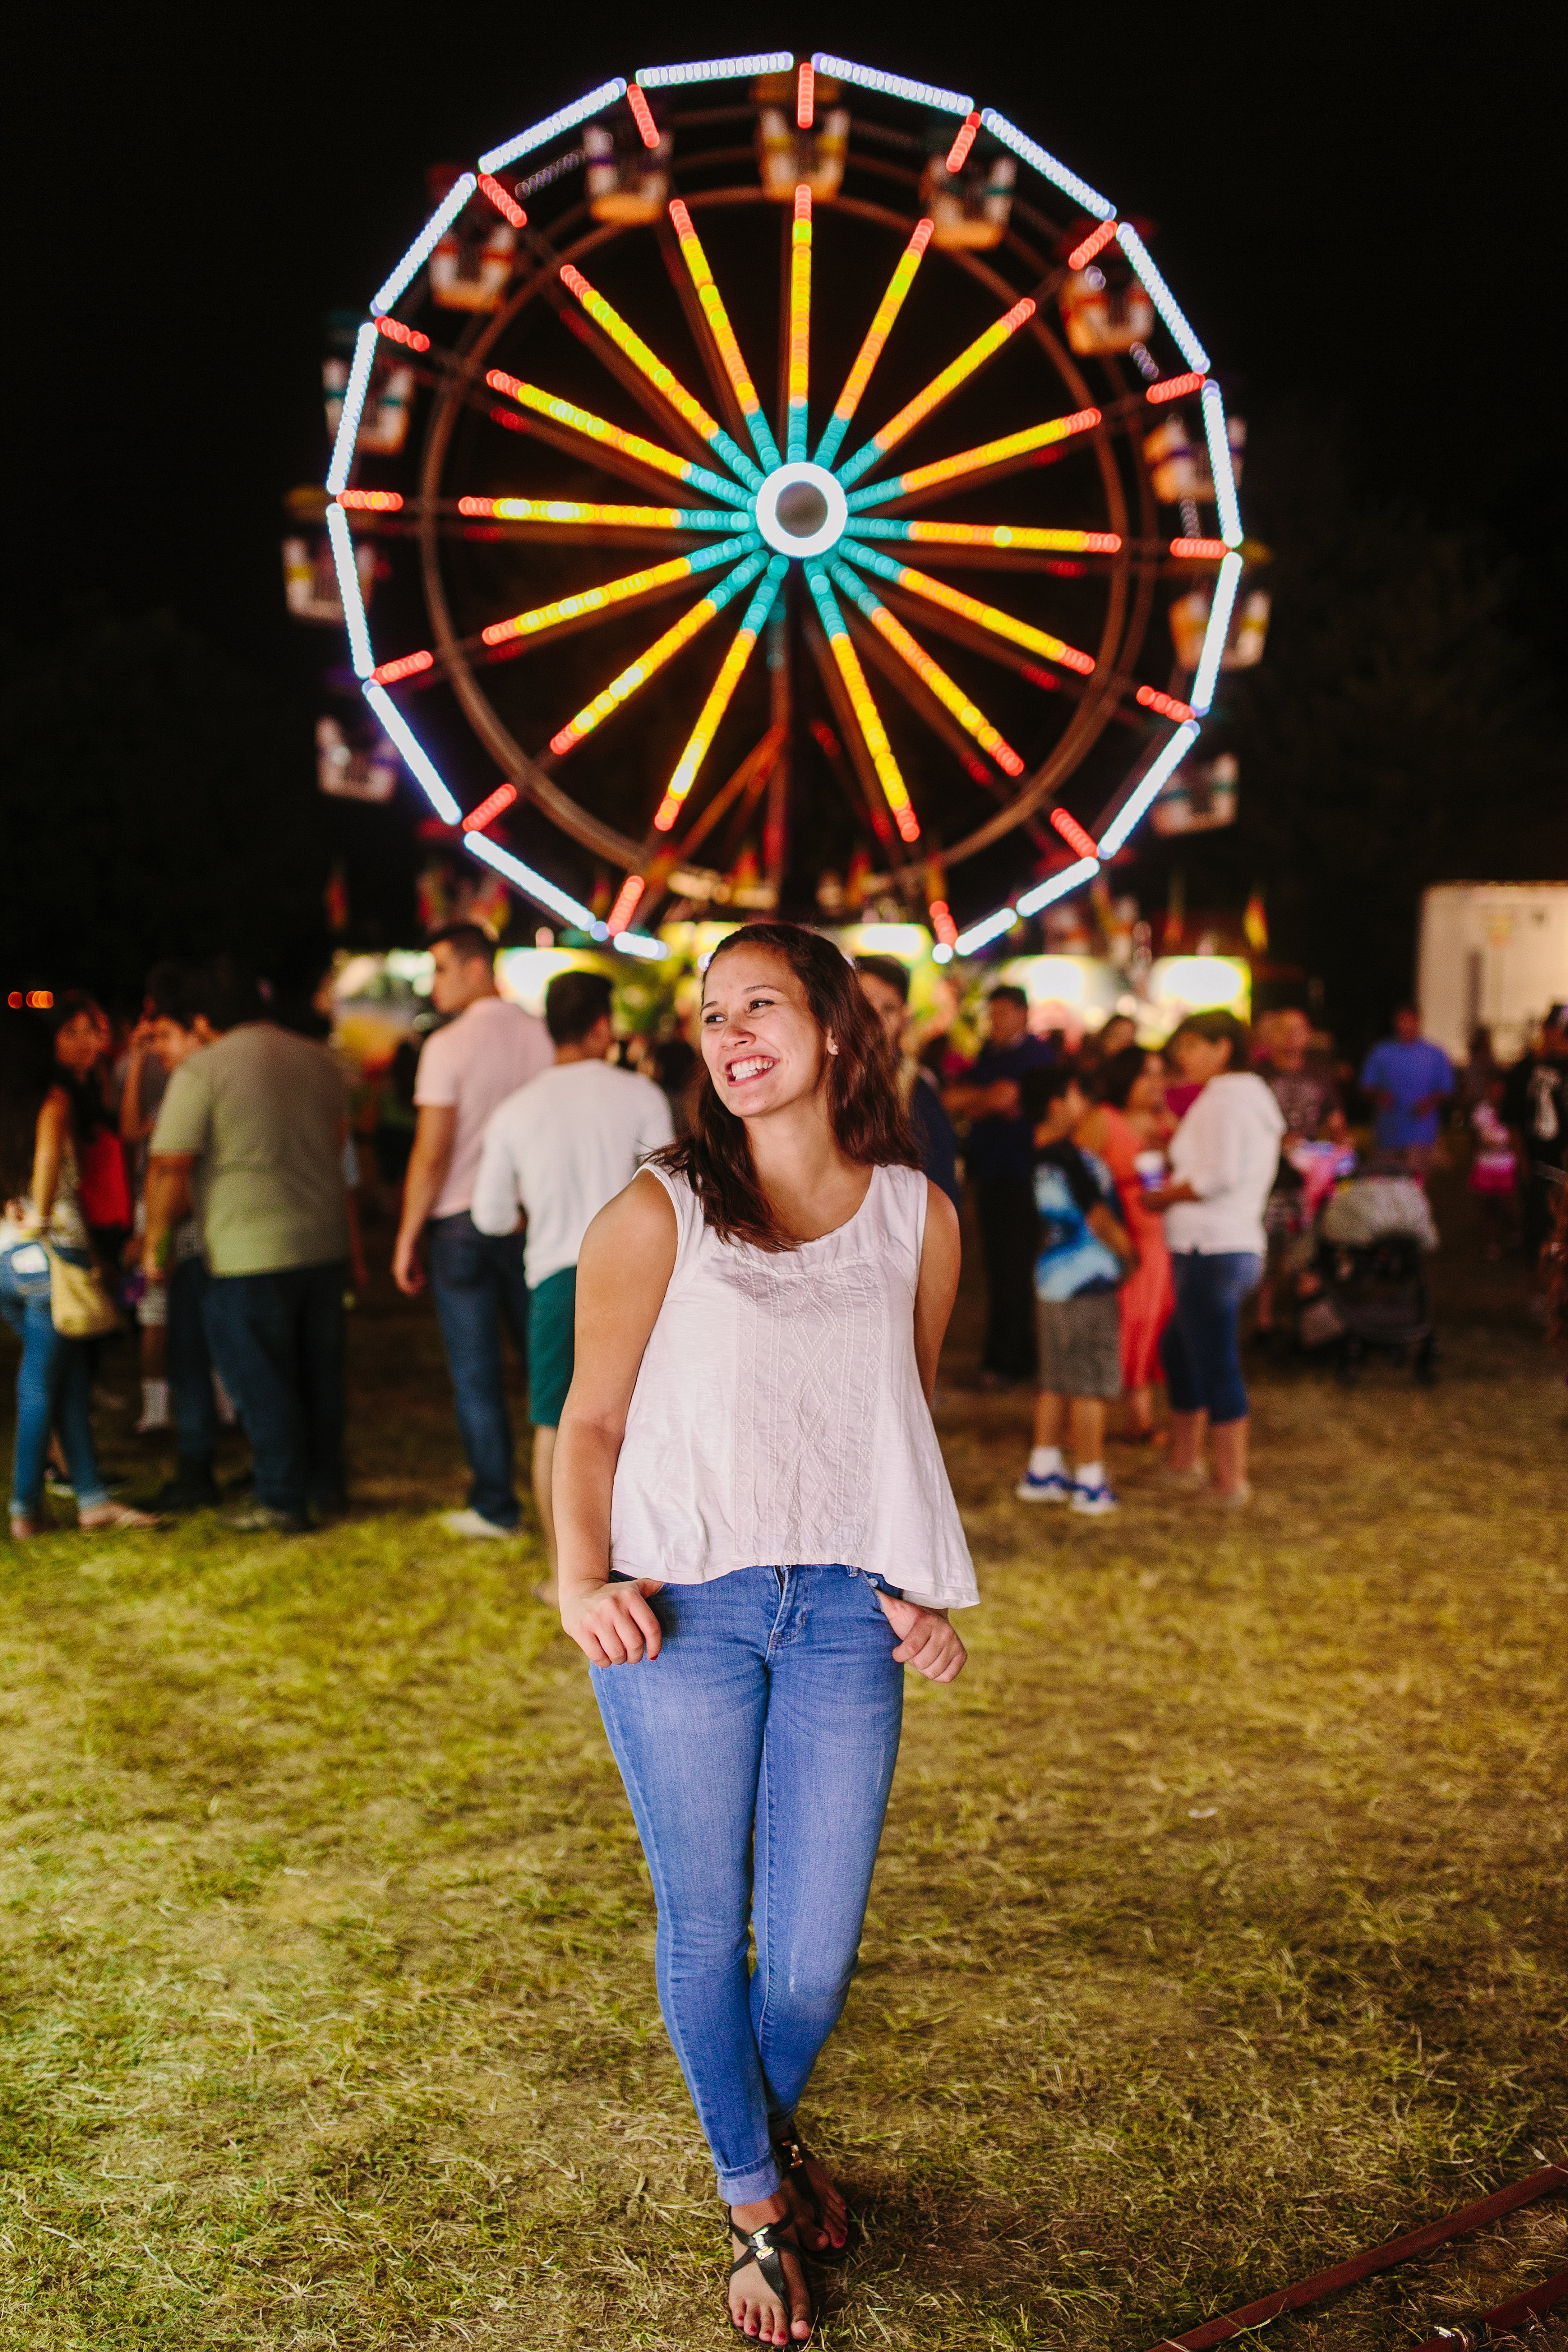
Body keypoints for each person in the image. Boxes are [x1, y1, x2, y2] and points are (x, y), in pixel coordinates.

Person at [552, 922, 975, 2346]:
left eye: (760, 1005)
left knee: (807, 1960)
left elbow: (891, 1424)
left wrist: (908, 1583)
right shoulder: (658, 1207)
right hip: (686, 1611)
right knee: (700, 1919)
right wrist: (574, 1579)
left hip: (844, 1620)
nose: (728, 1033)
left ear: (837, 1028)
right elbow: (589, 1418)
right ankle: (752, 2204)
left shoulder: (918, 1215)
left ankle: (764, 2143)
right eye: (709, 1015)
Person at [471, 969, 673, 1599]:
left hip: (559, 1276)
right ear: (602, 1026)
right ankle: (645, 1559)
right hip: (645, 1272)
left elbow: (491, 1216)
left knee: (556, 1423)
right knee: (648, 1417)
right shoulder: (639, 1094)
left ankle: (568, 1573)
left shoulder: (516, 1109)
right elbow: (674, 1187)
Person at [144, 958, 362, 1534]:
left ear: (202, 1019)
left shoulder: (204, 1070)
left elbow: (170, 1164)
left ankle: (281, 1496)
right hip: (322, 1242)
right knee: (320, 1373)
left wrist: (154, 1245)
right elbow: (342, 1149)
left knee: (261, 1377)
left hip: (246, 1249)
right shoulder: (318, 1059)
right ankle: (327, 1483)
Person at [393, 923, 551, 1538]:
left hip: (459, 1220)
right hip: (526, 1215)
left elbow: (431, 1152)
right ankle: (564, 1502)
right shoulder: (541, 1035)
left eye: (440, 968)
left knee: (477, 1370)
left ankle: (496, 1503)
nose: (433, 984)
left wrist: (408, 1234)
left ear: (474, 967)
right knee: (544, 1367)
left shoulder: (449, 1045)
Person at [1, 1008, 160, 1539]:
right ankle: (25, 1507)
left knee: (63, 1378)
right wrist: (42, 1217)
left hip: (5, 1260)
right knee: (41, 1383)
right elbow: (49, 1166)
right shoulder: (53, 1099)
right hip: (50, 1256)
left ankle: (92, 1498)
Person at [1146, 1011, 1284, 1506]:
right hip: (1221, 1243)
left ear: (1222, 1048)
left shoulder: (1228, 1098)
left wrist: (1167, 1195)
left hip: (1213, 1245)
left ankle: (1230, 1479)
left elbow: (1219, 1175)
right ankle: (1185, 1461)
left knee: (1213, 1359)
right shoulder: (1243, 1097)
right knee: (1180, 1351)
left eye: (1191, 1046)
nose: (1181, 1057)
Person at [1013, 1066, 1134, 1514]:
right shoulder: (1068, 1157)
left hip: (1049, 1280)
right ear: (1056, 1103)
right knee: (1088, 1383)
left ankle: (1042, 1468)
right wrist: (1128, 1255)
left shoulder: (1033, 1155)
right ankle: (1089, 1479)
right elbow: (1098, 1217)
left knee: (1056, 1380)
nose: (1084, 1106)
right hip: (1087, 1281)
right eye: (1076, 1096)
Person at [132, 964, 227, 1508]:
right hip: (205, 1243)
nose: (161, 1048)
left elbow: (177, 1173)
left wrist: (156, 1241)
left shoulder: (199, 1082)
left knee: (191, 1357)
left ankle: (197, 1467)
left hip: (200, 1245)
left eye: (167, 1036)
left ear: (197, 1029)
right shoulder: (201, 1080)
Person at [942, 984, 1055, 1384]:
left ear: (1024, 1014)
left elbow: (1001, 1100)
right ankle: (1009, 1356)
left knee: (1015, 1269)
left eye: (1005, 1013)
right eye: (993, 1013)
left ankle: (1010, 1361)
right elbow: (954, 1099)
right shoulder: (989, 1055)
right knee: (997, 1269)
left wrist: (983, 1101)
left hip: (1023, 1176)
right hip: (991, 1174)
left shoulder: (1036, 1056)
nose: (997, 1020)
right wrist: (983, 1100)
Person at [1075, 1046, 1174, 1440]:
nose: (1156, 1084)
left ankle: (1140, 1420)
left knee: (1152, 1322)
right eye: (1146, 1075)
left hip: (1160, 1238)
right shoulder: (1104, 1120)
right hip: (1119, 1236)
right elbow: (1077, 1177)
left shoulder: (1164, 1122)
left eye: (1160, 1074)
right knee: (1119, 1323)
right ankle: (1082, 1418)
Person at [1254, 1008, 1344, 1336]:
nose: (1291, 1037)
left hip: (1305, 1182)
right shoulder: (1258, 1076)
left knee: (1304, 1248)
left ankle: (1303, 1320)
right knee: (1267, 1250)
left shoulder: (1320, 1076)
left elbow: (1335, 1120)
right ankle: (1264, 1320)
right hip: (1266, 1179)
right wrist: (1275, 1141)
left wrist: (1338, 1145)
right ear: (1271, 1036)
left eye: (1298, 1030)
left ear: (1308, 1036)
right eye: (1284, 1029)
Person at [854, 954, 961, 1212]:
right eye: (864, 1006)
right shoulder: (817, 1080)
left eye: (888, 1010)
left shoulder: (916, 1090)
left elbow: (940, 1194)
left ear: (904, 1018)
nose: (874, 1021)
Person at [1502, 1009, 1568, 1278]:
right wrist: (1523, 1162)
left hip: (1564, 1161)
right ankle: (1539, 1280)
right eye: (1555, 1030)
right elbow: (1514, 1121)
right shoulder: (1525, 1069)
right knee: (1538, 1222)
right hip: (1539, 1161)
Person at [1359, 1006, 1453, 1173]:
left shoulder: (1434, 1054)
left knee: (1415, 1182)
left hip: (1421, 1133)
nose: (1407, 1026)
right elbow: (1367, 1085)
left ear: (1419, 1022)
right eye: (1403, 1021)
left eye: (1411, 1021)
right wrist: (1379, 1096)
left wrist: (1429, 1103)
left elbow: (1446, 1089)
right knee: (1386, 1182)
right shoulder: (1382, 1052)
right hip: (1388, 1131)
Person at [1468, 1077, 1519, 1258]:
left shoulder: (1513, 1109)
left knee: (1507, 1204)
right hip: (1485, 1165)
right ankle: (1491, 1243)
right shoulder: (1481, 1111)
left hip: (1507, 1165)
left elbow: (1516, 1137)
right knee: (1488, 1205)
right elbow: (1476, 1139)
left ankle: (1513, 1233)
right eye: (1493, 1091)